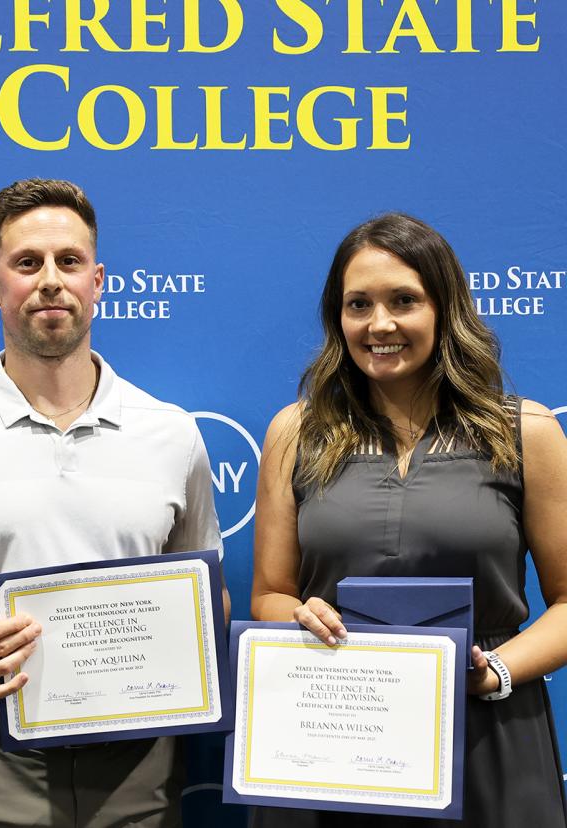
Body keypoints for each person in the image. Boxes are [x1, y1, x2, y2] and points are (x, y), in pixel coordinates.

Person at [0, 178, 225, 828]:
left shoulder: (170, 432)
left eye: (69, 261)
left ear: (98, 280)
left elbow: (205, 590)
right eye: (27, 263)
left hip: (140, 762)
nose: (50, 280)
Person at [250, 212, 567, 827]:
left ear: (444, 309)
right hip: (330, 734)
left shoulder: (526, 432)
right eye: (358, 304)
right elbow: (269, 594)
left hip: (485, 734)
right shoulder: (295, 433)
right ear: (337, 319)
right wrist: (295, 615)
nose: (380, 324)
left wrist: (496, 671)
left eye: (404, 300)